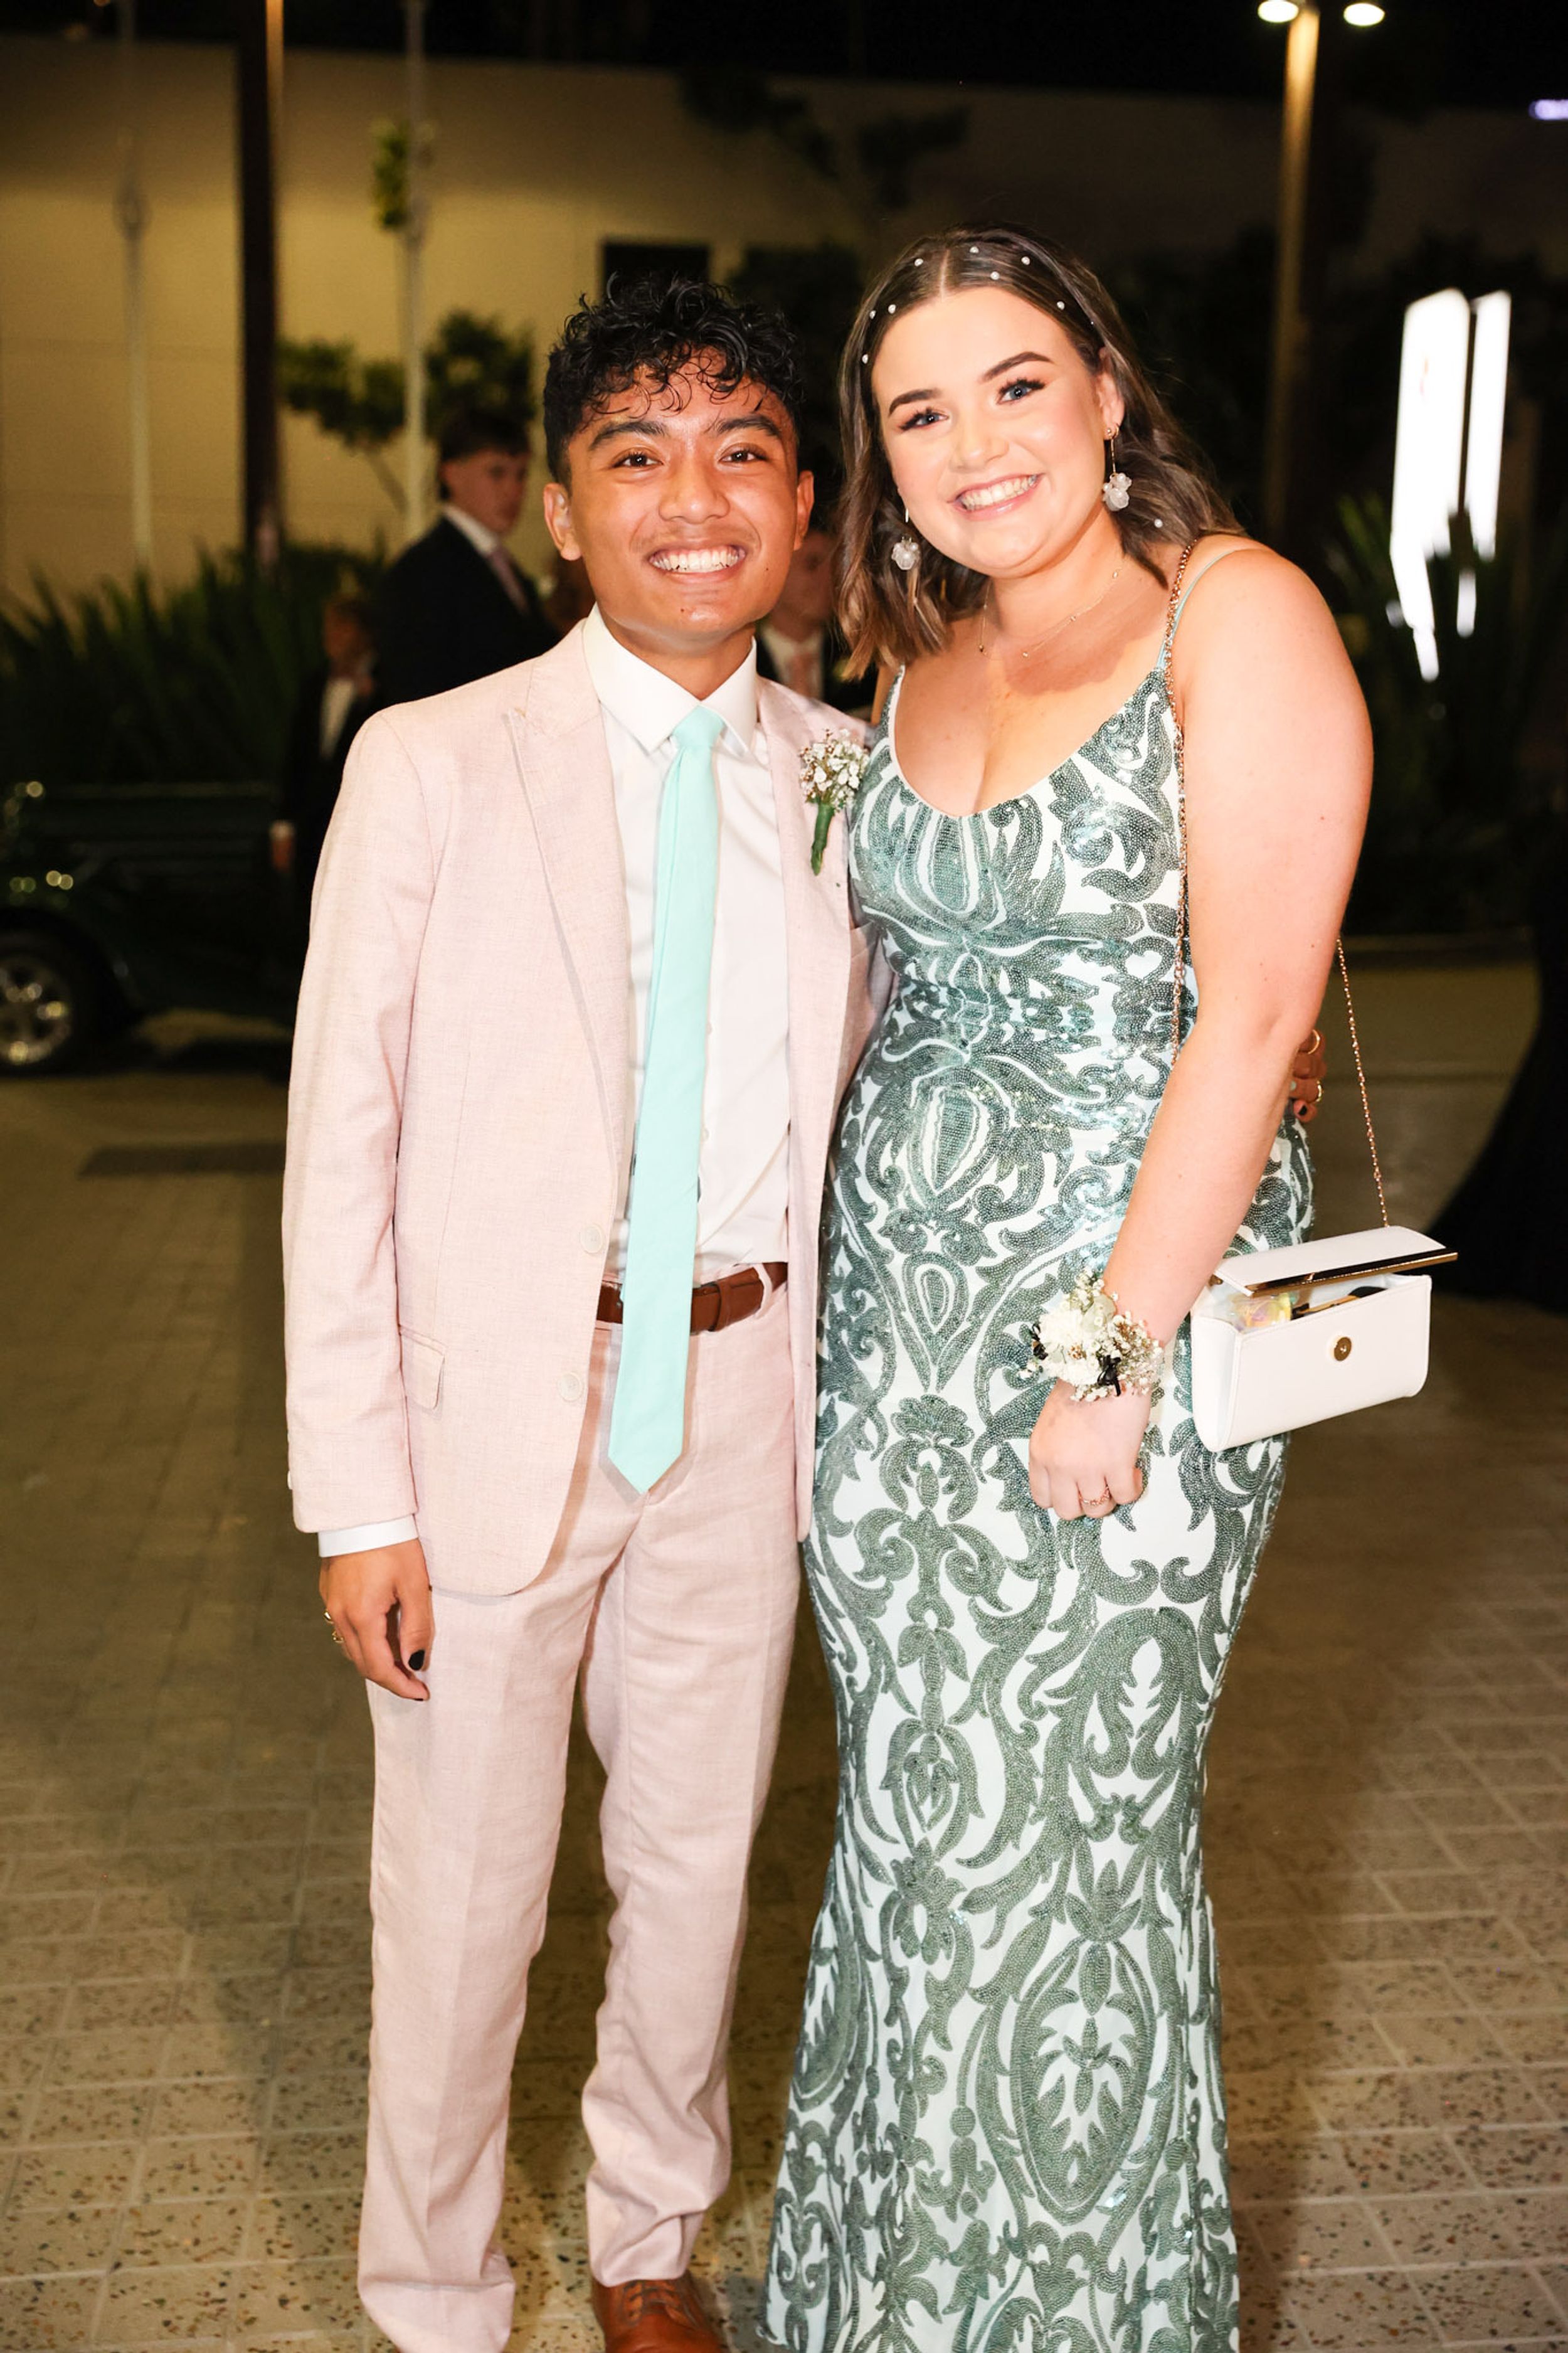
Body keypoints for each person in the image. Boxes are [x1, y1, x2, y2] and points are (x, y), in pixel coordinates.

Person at [762, 225, 1367, 2353]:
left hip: (1122, 1330)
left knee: (1067, 1855)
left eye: (1017, 385)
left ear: (1106, 390)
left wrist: (1109, 1355)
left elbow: (1254, 1012)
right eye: (920, 412)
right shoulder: (909, 660)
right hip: (892, 1346)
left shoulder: (1235, 613)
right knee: (916, 1835)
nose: (976, 444)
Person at [282, 279, 882, 2353]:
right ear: (561, 507)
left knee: (697, 1863)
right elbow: (340, 1141)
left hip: (745, 1389)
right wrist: (360, 1494)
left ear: (803, 506)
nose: (691, 500)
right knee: (459, 1900)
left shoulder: (851, 780)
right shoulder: (432, 763)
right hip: (490, 1420)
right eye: (637, 455)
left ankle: (646, 2232)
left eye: (741, 453)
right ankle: (435, 2289)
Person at [373, 405, 556, 705]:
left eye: (521, 475)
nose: (513, 490)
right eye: (496, 473)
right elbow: (416, 695)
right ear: (452, 474)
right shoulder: (421, 573)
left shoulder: (503, 566)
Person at [271, 592, 377, 906]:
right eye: (329, 627)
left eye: (342, 626)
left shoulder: (389, 684)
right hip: (313, 831)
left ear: (364, 633)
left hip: (364, 829)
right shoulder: (314, 684)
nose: (332, 635)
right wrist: (283, 827)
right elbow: (295, 758)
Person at [755, 493, 872, 714]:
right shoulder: (743, 663)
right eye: (812, 564)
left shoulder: (863, 660)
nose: (828, 579)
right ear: (776, 571)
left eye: (835, 566)